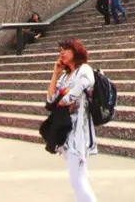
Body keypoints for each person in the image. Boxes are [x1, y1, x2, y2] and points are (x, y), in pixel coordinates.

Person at [46, 38, 97, 202]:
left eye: (65, 49)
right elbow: (50, 100)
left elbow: (69, 97)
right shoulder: (65, 76)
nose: (61, 53)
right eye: (60, 50)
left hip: (79, 131)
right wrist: (55, 73)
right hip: (66, 130)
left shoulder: (85, 70)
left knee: (77, 180)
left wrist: (62, 101)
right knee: (78, 178)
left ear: (75, 51)